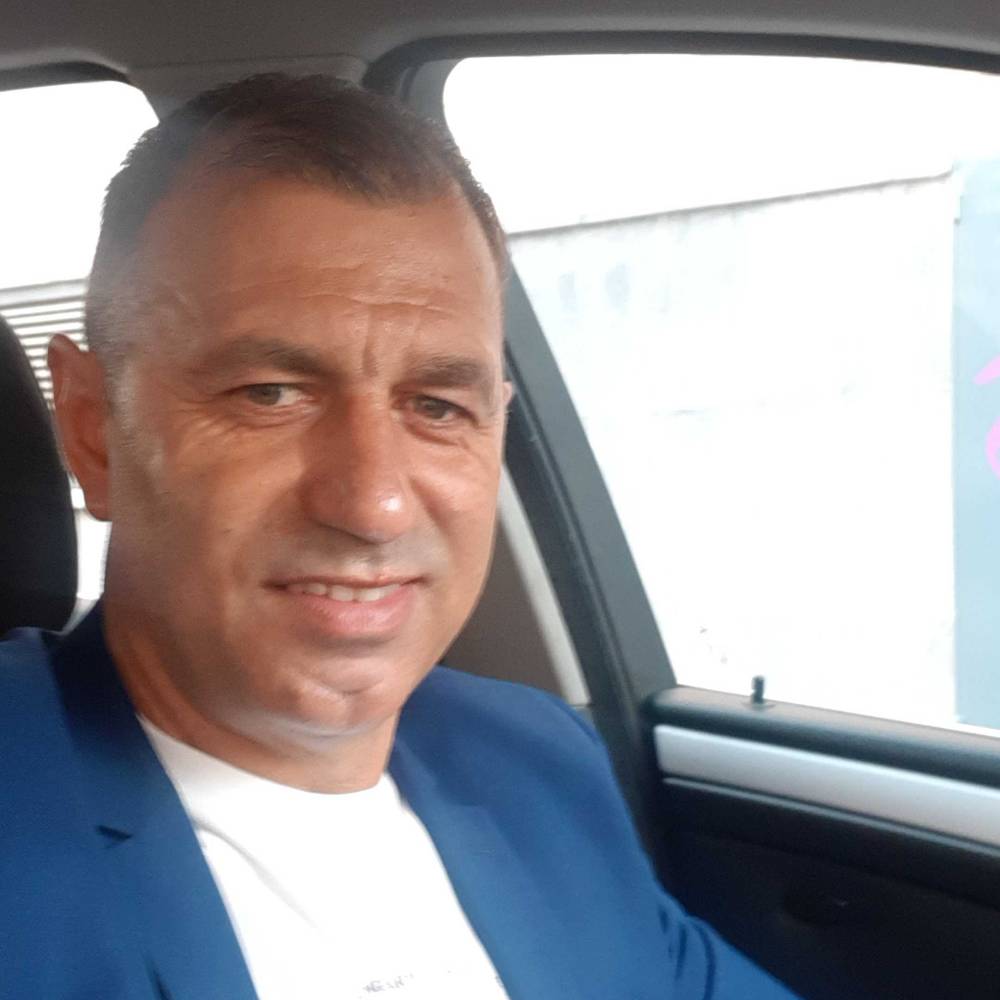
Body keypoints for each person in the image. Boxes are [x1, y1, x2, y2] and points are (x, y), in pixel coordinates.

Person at [0, 74, 800, 999]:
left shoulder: (536, 759)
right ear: (94, 427)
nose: (374, 505)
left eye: (438, 406)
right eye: (269, 394)